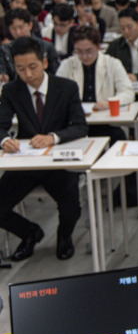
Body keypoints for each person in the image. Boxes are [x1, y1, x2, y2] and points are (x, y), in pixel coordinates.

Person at [0, 36, 88, 261]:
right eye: (20, 69)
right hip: (26, 163)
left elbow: (80, 126)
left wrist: (53, 137)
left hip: (58, 163)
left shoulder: (66, 87)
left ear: (45, 63)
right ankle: (30, 232)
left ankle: (64, 237)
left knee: (71, 207)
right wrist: (3, 141)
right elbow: (1, 126)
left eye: (33, 67)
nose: (28, 74)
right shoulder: (11, 90)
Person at [56, 25, 134, 142]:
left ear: (98, 47)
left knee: (117, 136)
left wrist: (108, 103)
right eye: (79, 52)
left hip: (106, 122)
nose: (84, 56)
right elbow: (57, 94)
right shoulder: (67, 65)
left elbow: (128, 92)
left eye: (89, 51)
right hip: (75, 123)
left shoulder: (112, 63)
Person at [0, 9, 60, 81]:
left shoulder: (46, 47)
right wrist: (4, 76)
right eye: (13, 29)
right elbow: (3, 70)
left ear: (30, 25)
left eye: (21, 27)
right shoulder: (5, 50)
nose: (18, 32)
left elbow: (56, 73)